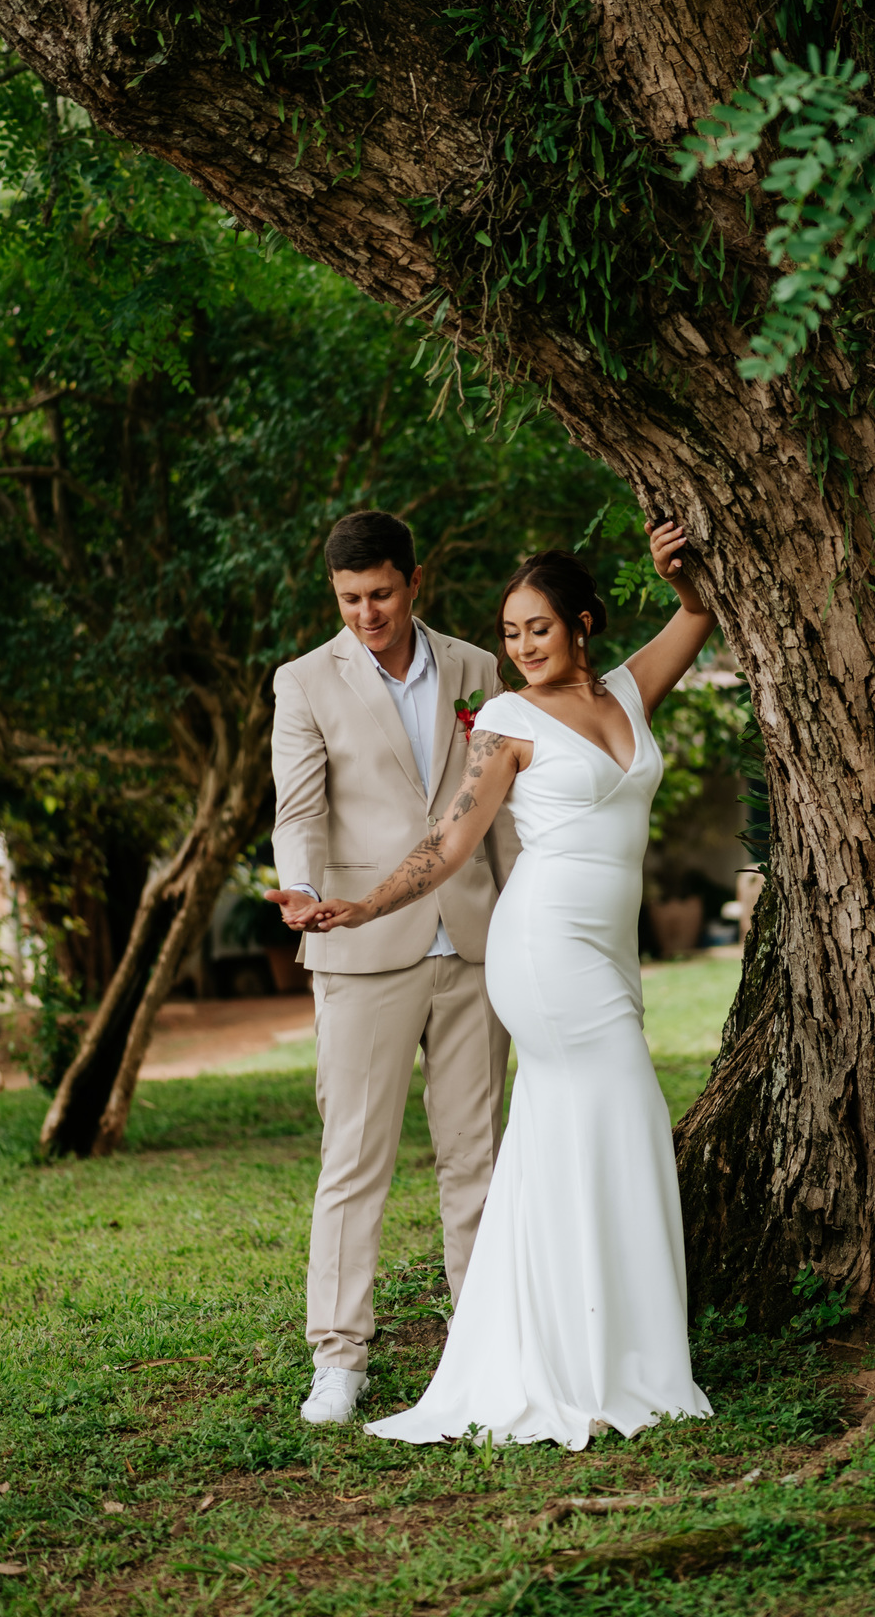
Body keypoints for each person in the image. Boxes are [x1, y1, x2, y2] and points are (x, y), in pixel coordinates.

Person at [290, 518, 716, 1448]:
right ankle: (581, 1360)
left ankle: (606, 1351)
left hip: (609, 952)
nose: (521, 647)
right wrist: (361, 906)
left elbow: (697, 617)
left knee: (585, 1137)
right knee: (626, 1112)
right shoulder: (508, 720)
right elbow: (449, 842)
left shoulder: (626, 694)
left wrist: (679, 577)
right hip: (545, 950)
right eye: (511, 632)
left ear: (582, 624)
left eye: (539, 629)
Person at [267, 510, 519, 1426]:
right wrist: (301, 890)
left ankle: (481, 1343)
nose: (366, 614)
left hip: (475, 943)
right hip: (361, 947)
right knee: (353, 1160)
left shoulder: (478, 669)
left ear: (416, 581)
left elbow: (500, 811)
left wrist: (524, 915)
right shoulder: (304, 681)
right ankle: (339, 1359)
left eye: (379, 594)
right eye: (348, 600)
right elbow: (299, 810)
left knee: (476, 1157)